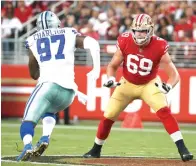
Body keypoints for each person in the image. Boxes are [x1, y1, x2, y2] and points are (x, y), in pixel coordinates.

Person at [83, 14, 193, 162]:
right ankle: (95, 149)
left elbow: (174, 75)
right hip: (126, 84)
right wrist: (110, 78)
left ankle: (182, 149)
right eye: (136, 30)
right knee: (109, 115)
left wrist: (168, 86)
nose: (139, 34)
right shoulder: (125, 40)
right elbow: (112, 65)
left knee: (164, 111)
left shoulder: (159, 45)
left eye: (143, 31)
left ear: (150, 31)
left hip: (149, 83)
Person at [17, 10, 100, 161]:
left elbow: (33, 74)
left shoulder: (33, 39)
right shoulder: (68, 33)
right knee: (49, 112)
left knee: (27, 121)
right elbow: (93, 43)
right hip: (68, 94)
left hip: (48, 86)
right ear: (57, 23)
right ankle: (45, 138)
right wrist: (96, 68)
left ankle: (27, 146)